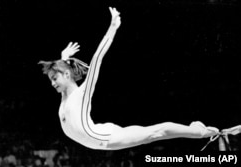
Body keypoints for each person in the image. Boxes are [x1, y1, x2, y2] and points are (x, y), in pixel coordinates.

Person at [38, 7, 219, 150]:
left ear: (67, 75)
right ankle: (196, 128)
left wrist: (112, 28)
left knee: (157, 132)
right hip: (101, 130)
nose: (53, 83)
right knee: (148, 133)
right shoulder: (65, 95)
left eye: (54, 78)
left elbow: (97, 58)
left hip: (105, 139)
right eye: (51, 80)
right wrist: (62, 58)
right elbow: (64, 76)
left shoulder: (81, 94)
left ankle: (199, 131)